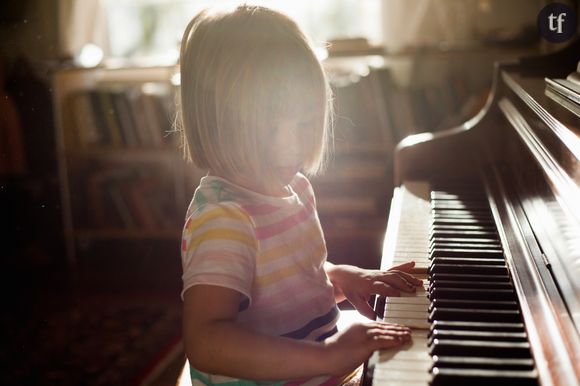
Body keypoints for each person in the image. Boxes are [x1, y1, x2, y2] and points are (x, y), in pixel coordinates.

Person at [177, 5, 423, 385]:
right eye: (269, 129)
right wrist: (328, 355)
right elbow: (206, 340)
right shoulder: (224, 219)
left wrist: (341, 277)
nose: (294, 145)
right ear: (219, 124)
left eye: (306, 122)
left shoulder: (295, 190)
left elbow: (285, 280)